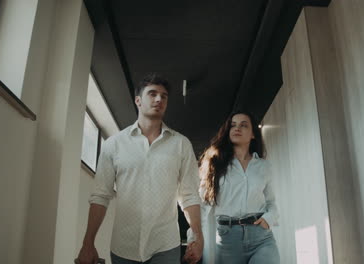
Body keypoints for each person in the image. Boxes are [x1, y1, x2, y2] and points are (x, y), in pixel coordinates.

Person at [77, 74, 203, 264]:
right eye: (152, 94)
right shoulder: (114, 144)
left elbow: (189, 195)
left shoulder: (181, 144)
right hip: (123, 247)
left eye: (164, 96)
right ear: (138, 100)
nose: (159, 99)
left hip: (165, 245)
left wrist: (198, 236)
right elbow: (100, 196)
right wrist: (88, 243)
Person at [185, 110, 279, 264]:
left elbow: (271, 202)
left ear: (253, 134)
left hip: (261, 237)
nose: (237, 128)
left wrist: (268, 219)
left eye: (243, 125)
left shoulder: (263, 166)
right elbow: (202, 206)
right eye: (233, 125)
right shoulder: (215, 165)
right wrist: (193, 238)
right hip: (228, 240)